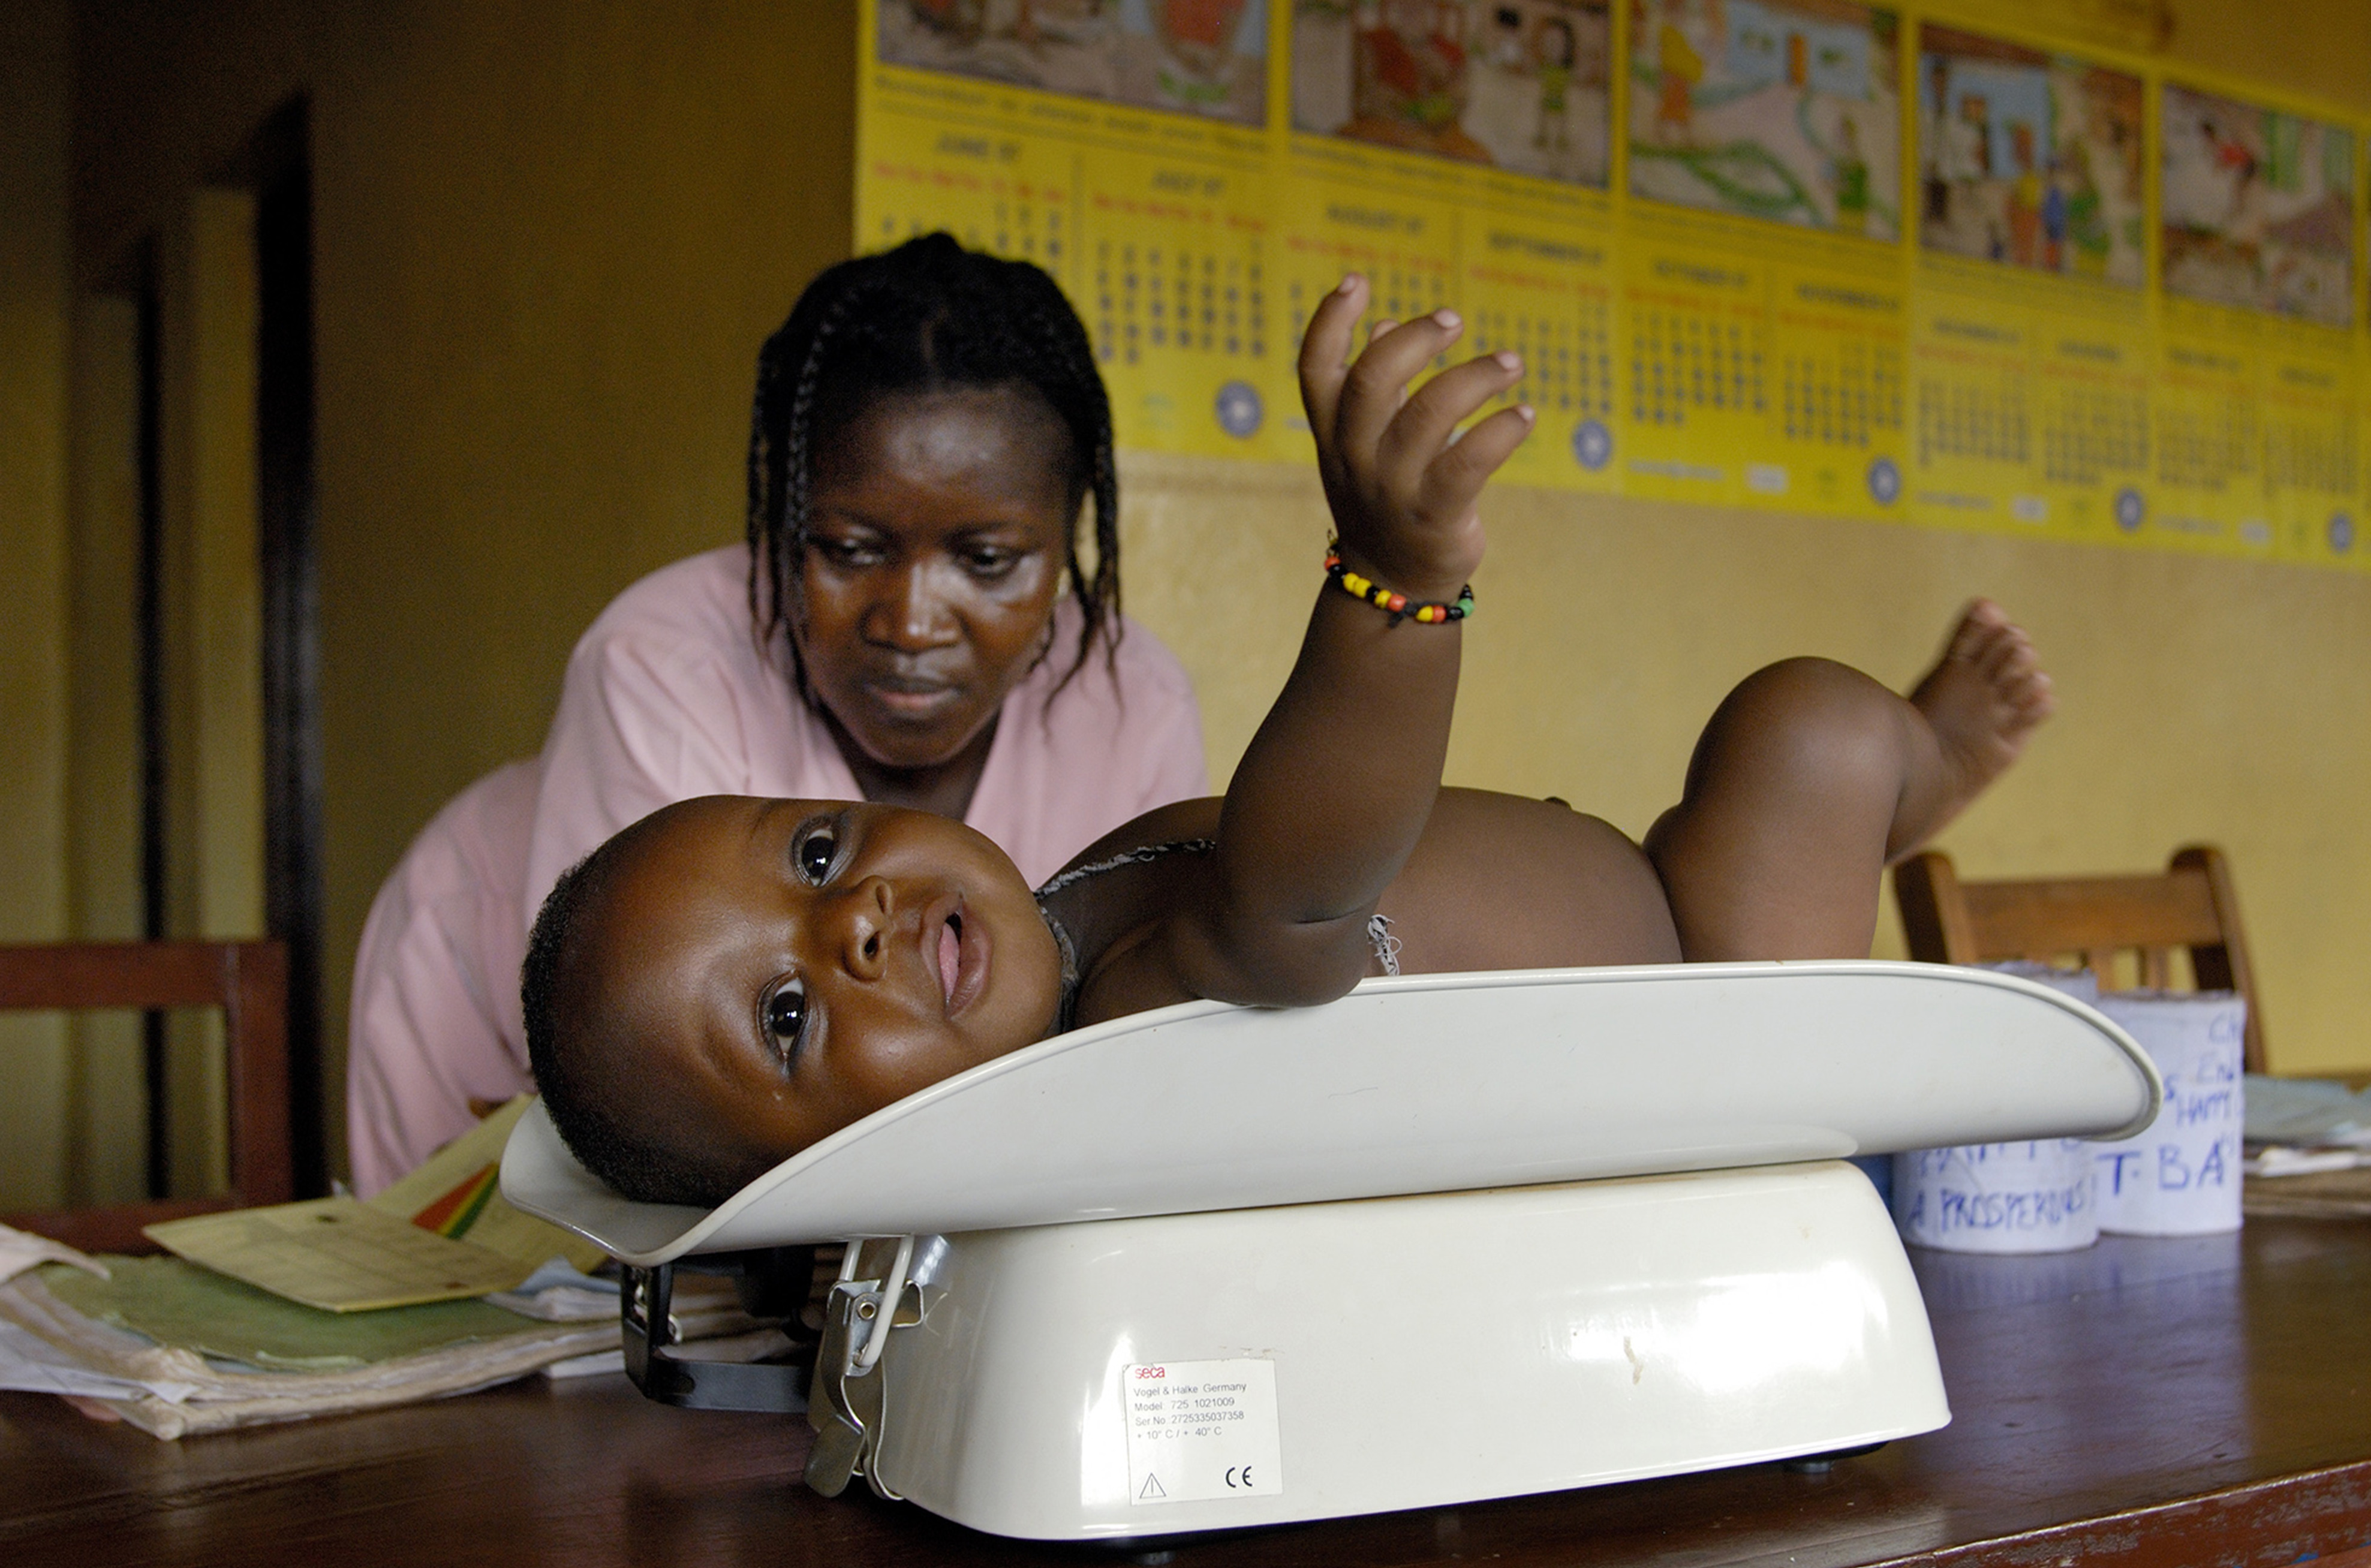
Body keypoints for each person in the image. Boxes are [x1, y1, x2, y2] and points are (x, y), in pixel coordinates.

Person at [520, 275, 2054, 1208]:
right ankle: (1893, 783)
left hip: (1650, 889)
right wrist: (1393, 584)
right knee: (1813, 730)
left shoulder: (1064, 908)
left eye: (811, 853)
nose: (848, 924)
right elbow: (1296, 887)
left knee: (1800, 729)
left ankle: (1903, 793)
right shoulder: (1137, 1034)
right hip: (1712, 1027)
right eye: (785, 1020)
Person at [345, 236, 1207, 1193]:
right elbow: (684, 1089)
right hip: (485, 1031)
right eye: (846, 548)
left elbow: (1132, 1037)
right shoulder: (659, 663)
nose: (911, 622)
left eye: (989, 561)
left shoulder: (1133, 697)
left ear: (1068, 532)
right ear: (783, 515)